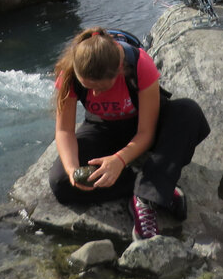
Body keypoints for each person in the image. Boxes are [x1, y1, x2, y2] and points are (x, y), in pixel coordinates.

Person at [49, 28, 210, 240]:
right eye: (89, 87)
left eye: (101, 88)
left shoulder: (139, 64)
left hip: (142, 124)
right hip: (102, 128)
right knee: (60, 182)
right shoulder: (70, 73)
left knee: (189, 113)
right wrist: (72, 170)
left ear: (119, 70)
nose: (95, 95)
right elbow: (64, 131)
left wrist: (119, 160)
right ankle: (153, 186)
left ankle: (145, 198)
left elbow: (146, 133)